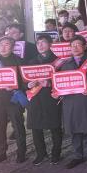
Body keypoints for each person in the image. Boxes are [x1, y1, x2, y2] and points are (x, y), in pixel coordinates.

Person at [60, 35, 87, 169]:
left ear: (84, 46)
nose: (75, 47)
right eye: (72, 45)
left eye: (78, 44)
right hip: (70, 101)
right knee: (74, 127)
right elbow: (59, 83)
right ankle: (77, 155)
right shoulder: (64, 64)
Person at [0, 37, 26, 164]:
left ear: (13, 46)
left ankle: (21, 153)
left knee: (18, 126)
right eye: (1, 45)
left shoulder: (19, 61)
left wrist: (15, 86)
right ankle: (1, 153)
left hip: (13, 100)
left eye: (6, 44)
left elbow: (26, 82)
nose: (3, 47)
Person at [26, 35, 63, 165]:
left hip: (51, 97)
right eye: (38, 43)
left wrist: (50, 84)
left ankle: (56, 153)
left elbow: (63, 80)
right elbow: (26, 81)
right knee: (36, 127)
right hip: (35, 98)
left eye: (43, 42)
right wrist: (28, 85)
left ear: (50, 44)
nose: (40, 45)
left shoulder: (58, 61)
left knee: (55, 127)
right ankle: (41, 154)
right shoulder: (31, 62)